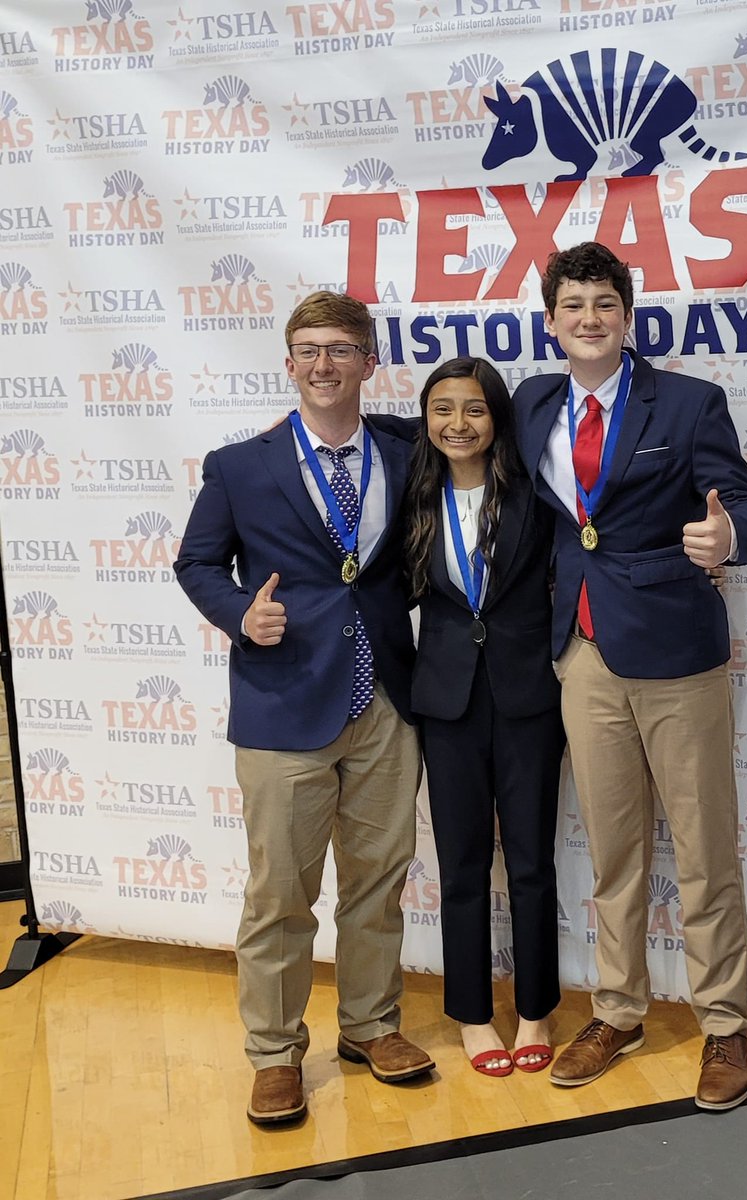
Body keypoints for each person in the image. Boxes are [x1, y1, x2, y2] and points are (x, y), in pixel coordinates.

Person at [512, 242, 747, 1110]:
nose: (588, 318)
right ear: (550, 321)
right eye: (573, 305)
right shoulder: (532, 402)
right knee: (613, 851)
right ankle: (618, 1009)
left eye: (604, 303)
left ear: (627, 316)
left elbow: (746, 506)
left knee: (703, 852)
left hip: (674, 652)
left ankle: (725, 1026)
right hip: (581, 654)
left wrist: (725, 538)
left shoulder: (691, 402)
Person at [174, 291, 434, 1127]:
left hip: (387, 699)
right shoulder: (238, 466)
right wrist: (240, 614)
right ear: (290, 363)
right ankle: (275, 1054)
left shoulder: (405, 444)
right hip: (283, 703)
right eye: (308, 349)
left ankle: (368, 1026)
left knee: (377, 886)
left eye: (342, 349)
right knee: (281, 895)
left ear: (369, 362)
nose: (324, 364)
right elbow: (197, 562)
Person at [403, 357, 565, 1076]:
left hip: (529, 696)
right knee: (461, 864)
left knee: (531, 862)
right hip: (447, 701)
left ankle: (536, 1009)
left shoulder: (534, 494)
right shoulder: (411, 493)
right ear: (425, 418)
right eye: (442, 409)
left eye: (473, 409)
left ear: (496, 418)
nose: (456, 424)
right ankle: (471, 1015)